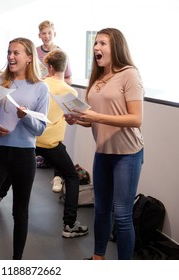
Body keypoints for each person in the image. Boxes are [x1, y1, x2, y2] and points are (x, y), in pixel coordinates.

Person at [65, 28, 144, 260]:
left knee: (121, 214)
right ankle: (98, 258)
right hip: (103, 152)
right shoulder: (98, 78)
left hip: (127, 154)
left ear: (116, 47)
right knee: (100, 210)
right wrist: (79, 119)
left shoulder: (130, 74)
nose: (96, 48)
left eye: (102, 43)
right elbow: (94, 121)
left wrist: (96, 117)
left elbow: (136, 119)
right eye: (96, 43)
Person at [0, 37, 49, 260]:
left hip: (24, 155)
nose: (11, 57)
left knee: (20, 213)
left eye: (16, 53)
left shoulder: (40, 88)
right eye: (9, 52)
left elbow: (40, 129)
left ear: (28, 58)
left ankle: (17, 264)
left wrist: (25, 117)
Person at [36, 49, 88, 238]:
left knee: (14, 166)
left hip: (34, 139)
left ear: (49, 67)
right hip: (51, 143)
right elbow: (76, 116)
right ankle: (70, 224)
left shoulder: (40, 85)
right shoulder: (71, 91)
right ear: (64, 68)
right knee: (72, 178)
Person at [36, 20, 72, 85]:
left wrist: (53, 79)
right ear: (39, 35)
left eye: (50, 33)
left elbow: (69, 80)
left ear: (54, 34)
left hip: (54, 93)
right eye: (43, 33)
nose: (47, 36)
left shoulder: (62, 54)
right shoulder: (35, 52)